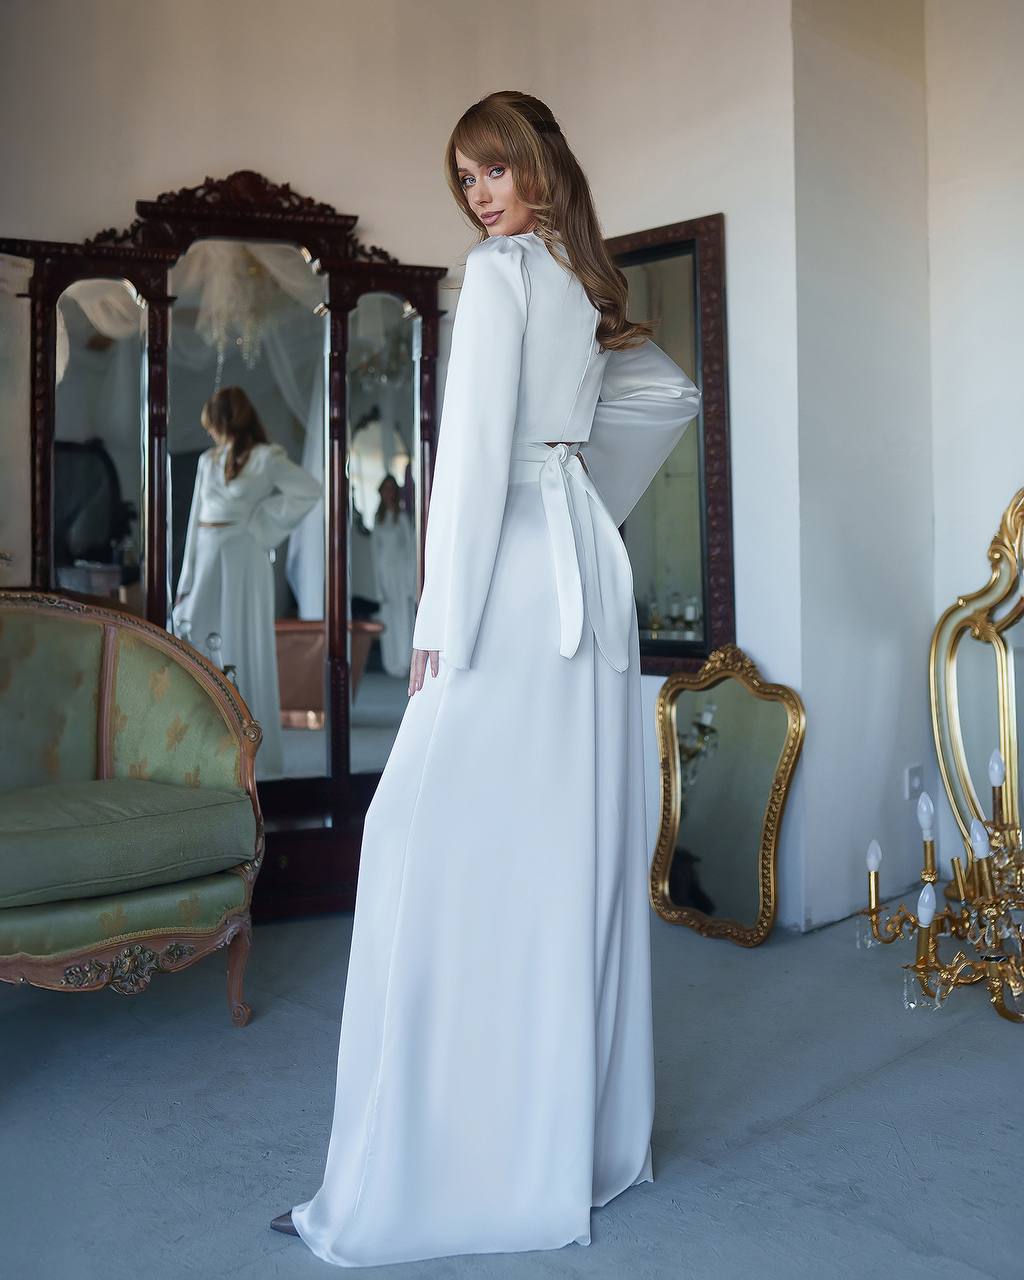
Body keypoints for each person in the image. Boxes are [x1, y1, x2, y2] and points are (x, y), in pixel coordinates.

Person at [274, 90, 701, 1266]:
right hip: (584, 581)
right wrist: (577, 495)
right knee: (567, 850)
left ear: (539, 168)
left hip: (514, 586)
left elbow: (465, 463)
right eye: (466, 179)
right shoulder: (583, 282)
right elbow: (672, 393)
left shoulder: (507, 273)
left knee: (431, 842)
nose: (480, 195)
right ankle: (573, 1139)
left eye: (495, 170)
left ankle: (439, 1160)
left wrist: (438, 617)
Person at [172, 386, 322, 779]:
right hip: (206, 553)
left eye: (212, 425)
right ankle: (205, 743)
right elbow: (193, 522)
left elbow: (310, 490)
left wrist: (261, 524)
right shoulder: (208, 461)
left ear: (224, 421)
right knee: (195, 634)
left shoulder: (265, 458)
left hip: (243, 556)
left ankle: (253, 748)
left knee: (242, 639)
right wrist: (184, 580)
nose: (209, 433)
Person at [369, 473, 417, 678]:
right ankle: (391, 664)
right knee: (389, 618)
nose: (388, 492)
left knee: (403, 618)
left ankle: (405, 662)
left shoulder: (403, 518)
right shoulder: (378, 519)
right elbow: (374, 554)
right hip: (385, 576)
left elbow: (411, 551)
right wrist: (379, 587)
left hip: (402, 576)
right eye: (385, 488)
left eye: (391, 488)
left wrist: (410, 583)